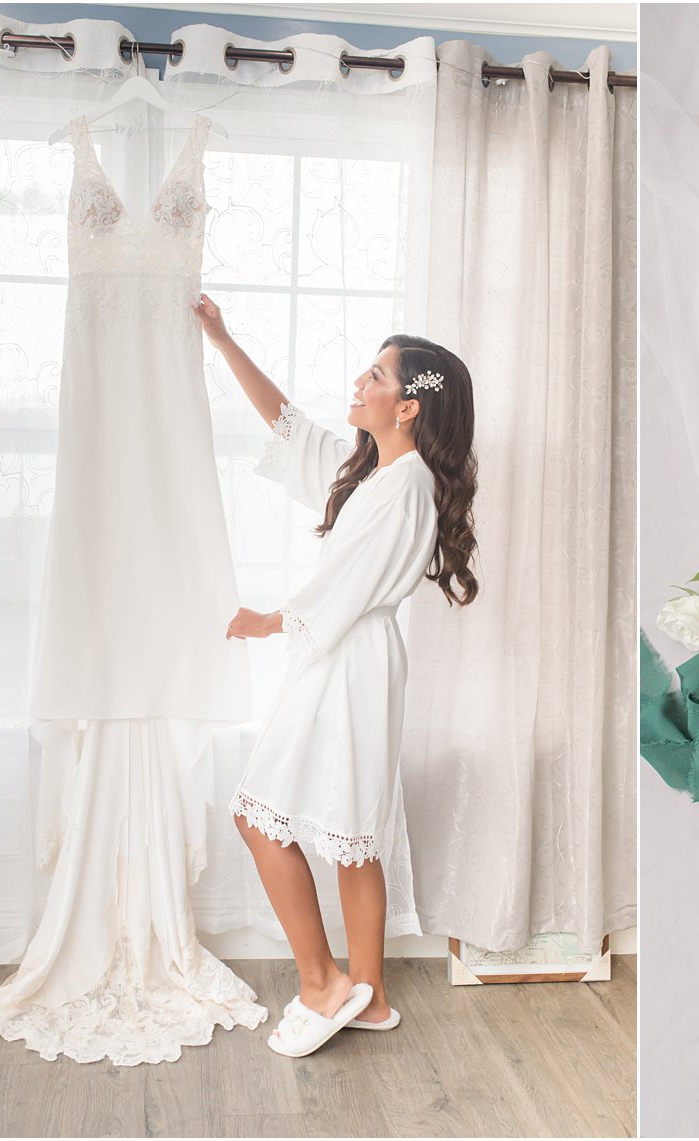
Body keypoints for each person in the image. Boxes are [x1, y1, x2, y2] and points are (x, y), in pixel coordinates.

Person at [192, 292, 479, 1058]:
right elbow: (286, 424)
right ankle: (373, 995)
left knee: (261, 818)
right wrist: (223, 340)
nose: (361, 380)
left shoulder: (408, 484)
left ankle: (324, 981)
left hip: (347, 659)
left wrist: (269, 620)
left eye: (378, 374)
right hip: (353, 659)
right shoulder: (373, 470)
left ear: (411, 406)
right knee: (354, 836)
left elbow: (345, 586)